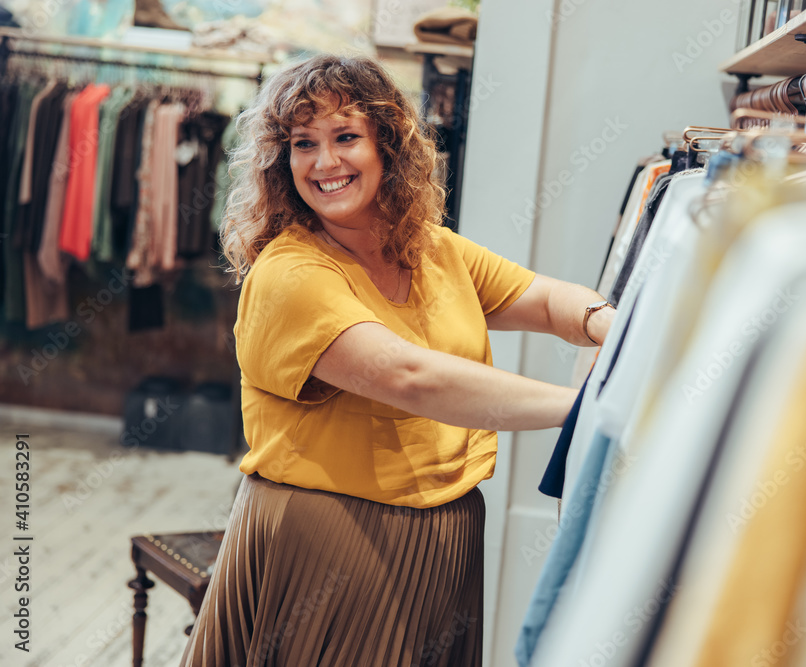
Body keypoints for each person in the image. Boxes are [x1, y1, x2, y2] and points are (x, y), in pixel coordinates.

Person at [179, 53, 615, 667]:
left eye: (346, 137)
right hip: (335, 541)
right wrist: (589, 407)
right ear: (283, 161)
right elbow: (410, 378)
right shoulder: (289, 272)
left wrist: (611, 326)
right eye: (304, 144)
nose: (325, 162)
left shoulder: (428, 247)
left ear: (388, 144)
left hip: (448, 533)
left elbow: (542, 300)